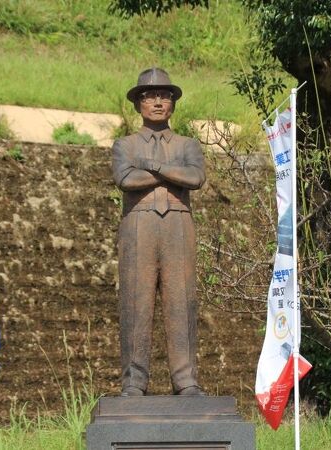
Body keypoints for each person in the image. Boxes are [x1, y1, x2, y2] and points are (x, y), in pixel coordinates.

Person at [112, 68, 206, 396]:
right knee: (136, 301)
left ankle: (185, 379)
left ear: (173, 104)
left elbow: (195, 178)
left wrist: (154, 167)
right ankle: (134, 380)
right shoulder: (125, 144)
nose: (157, 102)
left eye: (164, 96)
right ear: (138, 103)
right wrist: (170, 174)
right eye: (150, 96)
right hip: (138, 224)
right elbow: (126, 179)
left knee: (182, 300)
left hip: (178, 224)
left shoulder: (187, 144)